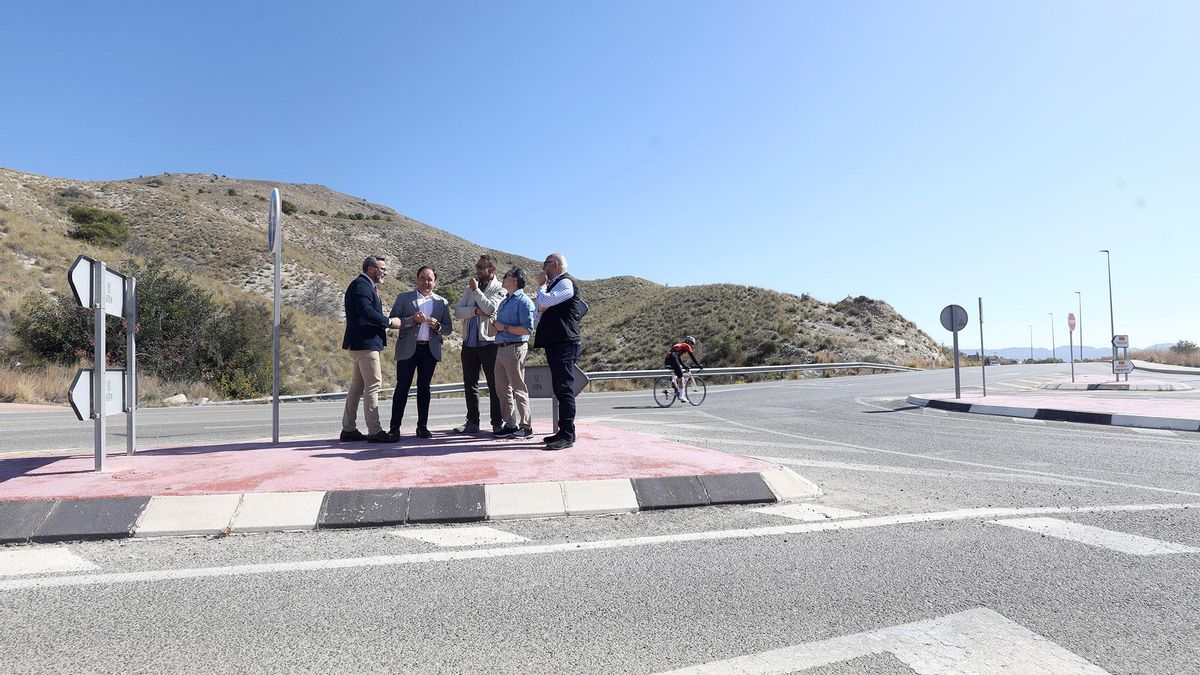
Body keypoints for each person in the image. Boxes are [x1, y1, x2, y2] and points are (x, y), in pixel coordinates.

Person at [386, 266, 453, 441]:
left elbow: (448, 329)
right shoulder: (404, 298)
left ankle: (422, 426)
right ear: (417, 280)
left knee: (425, 389)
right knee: (402, 388)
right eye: (423, 278)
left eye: (430, 279)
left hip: (429, 351)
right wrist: (412, 321)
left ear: (435, 282)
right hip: (408, 349)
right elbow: (394, 321)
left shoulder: (442, 302)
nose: (426, 282)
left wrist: (437, 326)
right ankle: (394, 428)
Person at [340, 256, 401, 443]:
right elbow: (366, 312)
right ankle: (374, 430)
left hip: (361, 344)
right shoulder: (361, 286)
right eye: (382, 269)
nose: (385, 273)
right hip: (365, 344)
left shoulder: (364, 286)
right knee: (373, 385)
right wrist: (389, 322)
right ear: (371, 268)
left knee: (357, 387)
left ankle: (348, 429)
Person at [532, 252, 584, 451]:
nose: (543, 268)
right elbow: (540, 309)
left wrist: (541, 285)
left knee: (564, 388)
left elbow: (544, 302)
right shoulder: (554, 286)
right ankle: (563, 431)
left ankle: (567, 434)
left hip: (564, 343)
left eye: (545, 264)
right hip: (555, 343)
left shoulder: (566, 283)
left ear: (554, 264)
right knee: (559, 388)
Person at [452, 254, 507, 434]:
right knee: (470, 385)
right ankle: (472, 422)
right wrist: (475, 310)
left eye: (481, 267)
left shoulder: (500, 288)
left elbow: (490, 309)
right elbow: (458, 312)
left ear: (492, 270)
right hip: (469, 343)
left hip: (489, 343)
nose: (478, 271)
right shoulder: (470, 289)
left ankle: (497, 423)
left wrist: (476, 292)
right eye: (477, 267)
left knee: (494, 385)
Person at [491, 267, 536, 438]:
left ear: (515, 280)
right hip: (501, 348)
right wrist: (495, 328)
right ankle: (510, 424)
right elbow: (500, 325)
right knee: (502, 389)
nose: (503, 278)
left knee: (518, 388)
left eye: (506, 276)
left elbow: (528, 330)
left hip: (515, 348)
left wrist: (505, 328)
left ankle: (526, 427)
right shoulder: (505, 301)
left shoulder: (524, 301)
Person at [665, 336, 703, 402]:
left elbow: (678, 358)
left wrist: (685, 366)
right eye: (692, 344)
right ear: (689, 342)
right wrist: (698, 365)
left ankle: (673, 382)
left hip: (668, 359)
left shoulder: (680, 345)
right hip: (673, 358)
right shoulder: (687, 346)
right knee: (681, 377)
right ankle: (681, 396)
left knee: (679, 373)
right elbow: (692, 356)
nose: (691, 345)